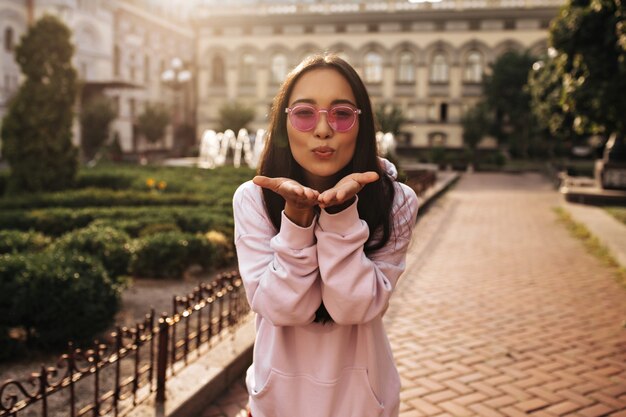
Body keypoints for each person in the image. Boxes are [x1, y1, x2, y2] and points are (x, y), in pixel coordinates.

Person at [232, 53, 419, 417]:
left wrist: (340, 215)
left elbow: (356, 307)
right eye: (304, 113)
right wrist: (297, 221)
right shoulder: (253, 199)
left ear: (361, 123)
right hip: (277, 405)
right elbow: (282, 308)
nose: (323, 130)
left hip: (362, 405)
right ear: (284, 124)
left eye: (341, 113)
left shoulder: (396, 200)